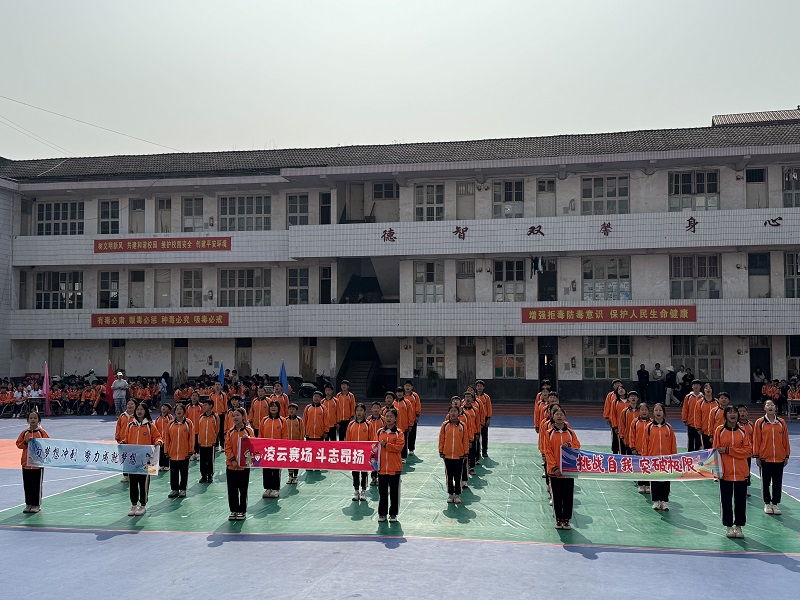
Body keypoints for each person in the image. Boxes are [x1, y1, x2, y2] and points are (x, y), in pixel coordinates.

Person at [714, 405, 752, 539]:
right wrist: (718, 471)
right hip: (725, 473)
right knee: (726, 501)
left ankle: (739, 526)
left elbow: (747, 451)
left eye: (735, 412)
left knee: (741, 501)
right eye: (729, 412)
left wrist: (729, 450)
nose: (733, 414)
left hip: (741, 473)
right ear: (725, 415)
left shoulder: (743, 431)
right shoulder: (719, 431)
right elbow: (716, 451)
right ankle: (729, 526)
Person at [544, 405, 580, 529]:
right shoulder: (548, 433)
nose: (559, 416)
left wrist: (569, 445)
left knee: (568, 495)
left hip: (568, 470)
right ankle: (558, 519)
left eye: (561, 414)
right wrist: (554, 468)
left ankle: (566, 519)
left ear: (565, 417)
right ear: (553, 417)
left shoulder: (570, 432)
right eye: (557, 414)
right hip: (554, 472)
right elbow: (548, 451)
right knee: (557, 496)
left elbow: (577, 445)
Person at [123, 402, 162, 516]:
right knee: (133, 483)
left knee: (144, 482)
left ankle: (143, 505)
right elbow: (126, 438)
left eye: (141, 409)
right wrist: (123, 442)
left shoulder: (150, 425)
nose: (139, 411)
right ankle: (134, 504)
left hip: (147, 460)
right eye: (138, 409)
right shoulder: (130, 425)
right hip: (133, 460)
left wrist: (158, 442)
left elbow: (157, 437)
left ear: (145, 411)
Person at [753, 399, 791, 516]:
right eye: (768, 405)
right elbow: (756, 440)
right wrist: (757, 456)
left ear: (775, 407)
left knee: (777, 482)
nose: (770, 407)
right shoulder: (760, 422)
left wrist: (786, 455)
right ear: (764, 408)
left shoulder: (781, 422)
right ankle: (767, 503)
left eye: (772, 405)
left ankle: (775, 503)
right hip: (765, 458)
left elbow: (785, 440)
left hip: (779, 458)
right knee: (765, 482)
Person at [645, 403, 677, 511]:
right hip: (653, 459)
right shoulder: (649, 427)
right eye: (656, 410)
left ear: (664, 413)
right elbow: (645, 443)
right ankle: (655, 501)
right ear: (653, 413)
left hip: (666, 459)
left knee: (665, 480)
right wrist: (645, 457)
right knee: (654, 480)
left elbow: (673, 443)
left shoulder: (669, 428)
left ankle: (664, 501)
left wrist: (673, 457)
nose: (658, 412)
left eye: (660, 410)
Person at [16, 411, 49, 513]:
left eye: (35, 418)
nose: (33, 420)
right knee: (27, 485)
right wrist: (25, 442)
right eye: (31, 418)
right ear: (28, 420)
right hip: (26, 464)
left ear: (39, 420)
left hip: (37, 464)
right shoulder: (24, 433)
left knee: (36, 485)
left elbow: (48, 444)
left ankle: (36, 505)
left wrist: (39, 444)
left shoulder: (42, 432)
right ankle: (28, 504)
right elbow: (18, 444)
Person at [225, 407, 254, 520]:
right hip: (231, 466)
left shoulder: (249, 431)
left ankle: (242, 511)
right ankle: (234, 510)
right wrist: (232, 460)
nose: (235, 417)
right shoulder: (230, 432)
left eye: (238, 415)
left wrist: (248, 439)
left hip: (244, 467)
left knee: (243, 489)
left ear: (243, 417)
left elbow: (254, 446)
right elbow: (227, 447)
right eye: (233, 416)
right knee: (232, 489)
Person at [376, 408, 404, 523]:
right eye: (387, 416)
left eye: (391, 416)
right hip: (382, 468)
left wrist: (386, 445)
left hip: (394, 468)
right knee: (382, 493)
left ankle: (393, 514)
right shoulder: (380, 432)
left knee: (394, 493)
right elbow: (375, 447)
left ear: (395, 418)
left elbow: (399, 448)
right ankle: (382, 514)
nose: (388, 418)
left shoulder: (399, 433)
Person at [439, 405, 469, 505]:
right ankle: (450, 494)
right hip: (447, 455)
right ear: (448, 413)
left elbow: (465, 440)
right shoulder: (445, 425)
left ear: (458, 413)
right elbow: (441, 439)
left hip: (459, 455)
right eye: (451, 411)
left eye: (455, 411)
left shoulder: (463, 426)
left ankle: (457, 494)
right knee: (449, 476)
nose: (453, 413)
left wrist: (466, 452)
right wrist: (441, 451)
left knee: (458, 476)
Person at [165, 402, 194, 498]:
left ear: (184, 411)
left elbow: (191, 438)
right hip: (172, 453)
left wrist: (191, 450)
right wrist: (166, 450)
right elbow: (167, 438)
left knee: (184, 472)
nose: (179, 411)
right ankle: (174, 489)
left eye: (181, 409)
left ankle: (182, 489)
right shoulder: (170, 424)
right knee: (173, 472)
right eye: (177, 409)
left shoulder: (188, 423)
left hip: (184, 453)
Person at [260, 401, 287, 498]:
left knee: (276, 469)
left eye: (275, 406)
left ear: (278, 408)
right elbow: (261, 435)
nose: (273, 408)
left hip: (277, 450)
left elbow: (285, 436)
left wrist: (282, 448)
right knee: (266, 469)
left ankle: (275, 489)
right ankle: (268, 488)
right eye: (271, 406)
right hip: (266, 450)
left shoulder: (282, 421)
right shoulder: (264, 420)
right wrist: (260, 447)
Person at [346, 403, 372, 501]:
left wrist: (369, 452)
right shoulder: (351, 424)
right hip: (354, 453)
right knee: (355, 472)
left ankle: (363, 491)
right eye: (357, 410)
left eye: (361, 410)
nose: (359, 412)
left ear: (364, 412)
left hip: (364, 453)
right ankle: (356, 491)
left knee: (364, 473)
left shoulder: (368, 424)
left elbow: (371, 440)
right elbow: (348, 440)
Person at [197, 398, 219, 483]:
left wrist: (214, 439)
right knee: (202, 460)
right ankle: (203, 476)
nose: (204, 406)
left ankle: (210, 475)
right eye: (203, 405)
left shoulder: (215, 417)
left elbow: (217, 429)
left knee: (210, 460)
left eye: (206, 405)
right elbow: (199, 429)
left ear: (211, 406)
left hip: (211, 443)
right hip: (202, 442)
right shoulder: (201, 417)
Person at [115, 399, 136, 483]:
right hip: (123, 441)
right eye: (128, 404)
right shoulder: (122, 416)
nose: (130, 406)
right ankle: (126, 475)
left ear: (136, 406)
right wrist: (117, 437)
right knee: (125, 458)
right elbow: (118, 427)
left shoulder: (137, 416)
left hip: (133, 441)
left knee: (134, 458)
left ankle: (134, 475)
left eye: (132, 404)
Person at [682, 379, 703, 452]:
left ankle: (698, 454)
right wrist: (685, 419)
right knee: (690, 440)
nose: (696, 386)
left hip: (700, 424)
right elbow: (685, 408)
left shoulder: (703, 397)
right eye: (694, 385)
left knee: (698, 440)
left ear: (700, 386)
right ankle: (690, 454)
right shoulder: (688, 397)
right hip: (690, 422)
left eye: (697, 384)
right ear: (692, 386)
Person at [285, 403, 304, 484]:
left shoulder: (299, 420)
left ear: (296, 411)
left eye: (293, 409)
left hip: (296, 444)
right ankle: (290, 476)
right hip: (288, 444)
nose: (291, 411)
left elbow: (302, 432)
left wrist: (301, 442)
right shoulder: (285, 420)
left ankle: (295, 477)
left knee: (295, 460)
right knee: (289, 461)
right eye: (290, 409)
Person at [695, 383, 718, 449]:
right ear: (703, 390)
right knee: (707, 450)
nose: (708, 389)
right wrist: (698, 428)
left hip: (716, 431)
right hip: (705, 430)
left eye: (710, 388)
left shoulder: (717, 402)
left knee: (716, 450)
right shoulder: (700, 403)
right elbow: (697, 416)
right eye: (706, 388)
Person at [402, 381, 422, 456]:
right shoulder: (401, 395)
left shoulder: (415, 396)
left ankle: (411, 449)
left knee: (412, 434)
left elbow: (418, 406)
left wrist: (417, 416)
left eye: (409, 386)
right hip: (403, 419)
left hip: (412, 419)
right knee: (403, 435)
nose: (407, 387)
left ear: (412, 387)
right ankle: (402, 449)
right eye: (406, 385)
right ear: (404, 387)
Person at [603, 379, 623, 452]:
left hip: (624, 420)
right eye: (615, 384)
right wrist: (607, 417)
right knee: (615, 436)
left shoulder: (626, 395)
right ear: (613, 386)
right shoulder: (610, 395)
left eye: (619, 383)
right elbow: (607, 406)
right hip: (614, 420)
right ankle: (615, 451)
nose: (617, 385)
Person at [475, 380, 492, 458]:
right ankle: (477, 451)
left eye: (481, 386)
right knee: (476, 436)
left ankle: (484, 451)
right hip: (475, 419)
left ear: (483, 387)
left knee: (484, 436)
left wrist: (488, 418)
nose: (479, 387)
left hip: (484, 419)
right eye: (478, 386)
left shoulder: (486, 397)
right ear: (476, 387)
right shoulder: (473, 397)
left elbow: (489, 408)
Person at [154, 403, 174, 472]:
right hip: (160, 439)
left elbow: (172, 426)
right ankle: (161, 465)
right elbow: (155, 429)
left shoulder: (170, 417)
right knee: (160, 452)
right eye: (163, 406)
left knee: (166, 452)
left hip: (167, 439)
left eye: (165, 407)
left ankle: (166, 465)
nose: (163, 408)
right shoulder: (158, 419)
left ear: (168, 409)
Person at [210, 380, 228, 450]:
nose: (217, 386)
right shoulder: (211, 395)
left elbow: (225, 404)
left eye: (218, 384)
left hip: (221, 415)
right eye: (216, 384)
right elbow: (209, 404)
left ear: (221, 386)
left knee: (221, 430)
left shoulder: (223, 395)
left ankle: (223, 445)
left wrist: (225, 413)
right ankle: (216, 445)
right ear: (214, 386)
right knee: (214, 430)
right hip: (214, 415)